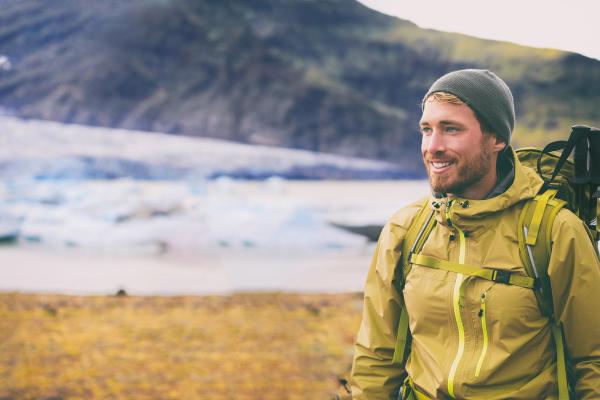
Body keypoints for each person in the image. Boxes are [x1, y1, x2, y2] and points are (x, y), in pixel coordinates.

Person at [350, 69, 600, 399]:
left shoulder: (554, 231)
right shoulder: (406, 229)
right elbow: (377, 357)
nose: (433, 146)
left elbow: (592, 360)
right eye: (427, 130)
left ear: (496, 138)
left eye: (451, 129)